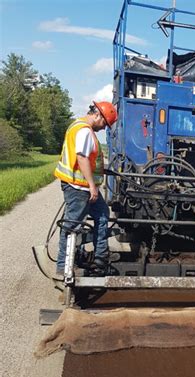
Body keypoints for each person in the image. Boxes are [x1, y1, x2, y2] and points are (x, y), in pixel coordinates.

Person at [54, 101, 118, 277]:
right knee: (72, 225)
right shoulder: (85, 131)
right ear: (97, 115)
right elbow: (81, 158)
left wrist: (101, 171)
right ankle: (64, 267)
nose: (103, 128)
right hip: (79, 187)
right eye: (104, 123)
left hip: (80, 186)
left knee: (103, 214)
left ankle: (100, 258)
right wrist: (92, 185)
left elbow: (88, 159)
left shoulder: (77, 126)